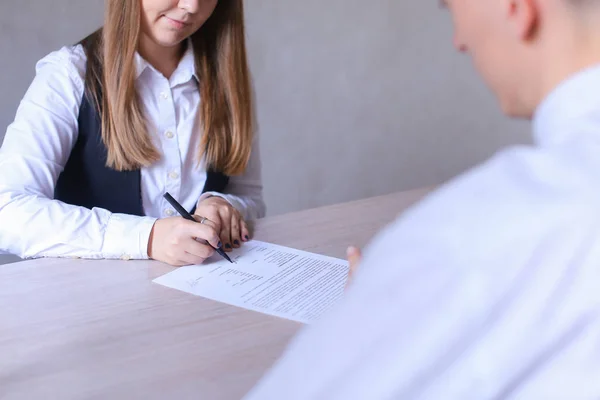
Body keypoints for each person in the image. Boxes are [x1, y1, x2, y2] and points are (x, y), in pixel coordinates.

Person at [244, 0, 600, 398]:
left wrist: (388, 310)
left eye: (450, 8)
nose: (459, 41)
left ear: (516, 8)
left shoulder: (476, 238)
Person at [0, 0, 265, 266]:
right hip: (94, 296)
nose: (191, 6)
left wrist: (223, 205)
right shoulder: (67, 74)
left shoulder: (229, 81)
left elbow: (250, 198)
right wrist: (147, 238)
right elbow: (8, 213)